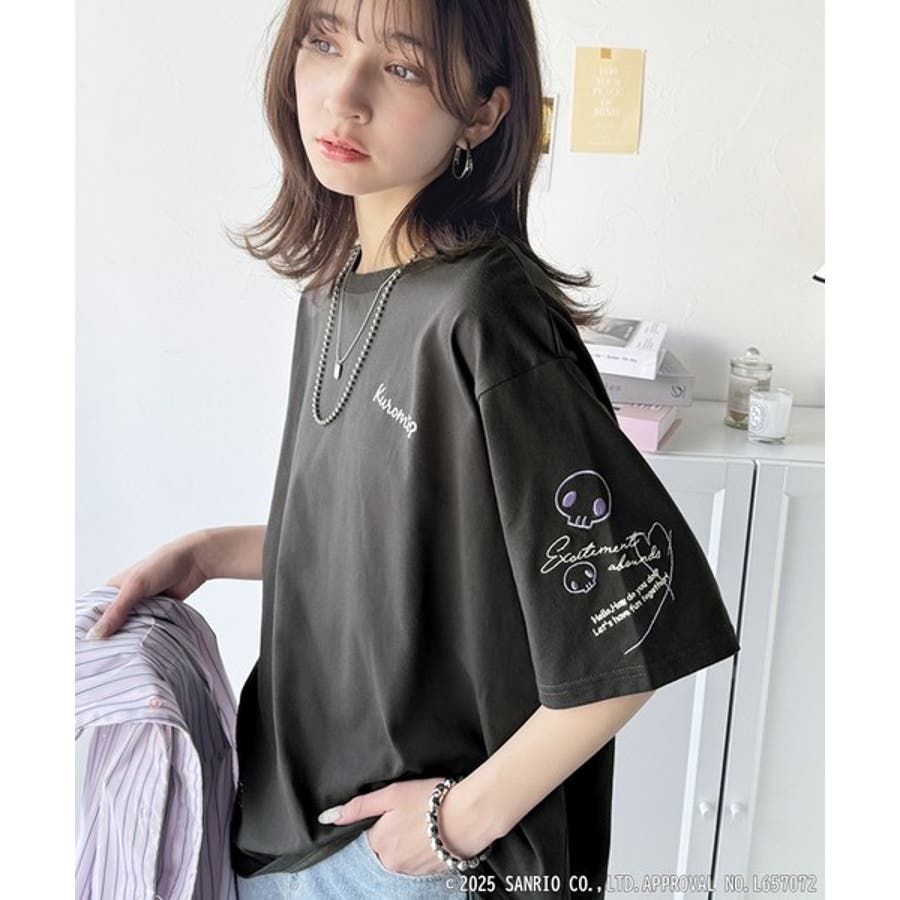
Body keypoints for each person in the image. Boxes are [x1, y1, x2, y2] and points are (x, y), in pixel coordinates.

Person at [89, 1, 741, 898]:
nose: (343, 95)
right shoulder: (334, 294)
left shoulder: (485, 315)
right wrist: (209, 553)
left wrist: (451, 825)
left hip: (404, 859)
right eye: (325, 42)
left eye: (402, 67)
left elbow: (634, 623)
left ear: (482, 113)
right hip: (292, 824)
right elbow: (395, 548)